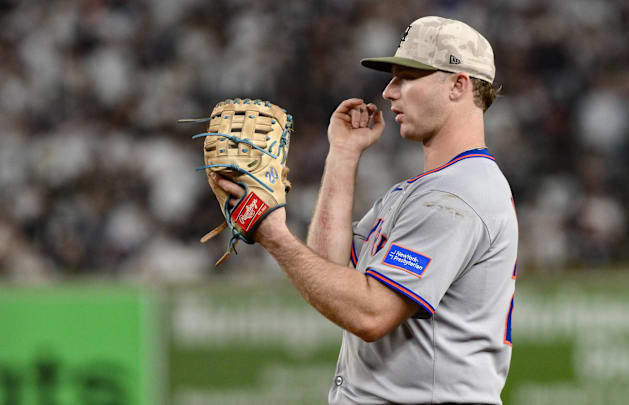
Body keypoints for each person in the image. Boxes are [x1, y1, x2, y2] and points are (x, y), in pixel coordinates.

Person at [212, 16, 518, 405]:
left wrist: (274, 236)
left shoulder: (457, 197)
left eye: (407, 77)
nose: (389, 92)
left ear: (458, 85)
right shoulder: (422, 191)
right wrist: (342, 154)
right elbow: (328, 272)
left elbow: (371, 315)